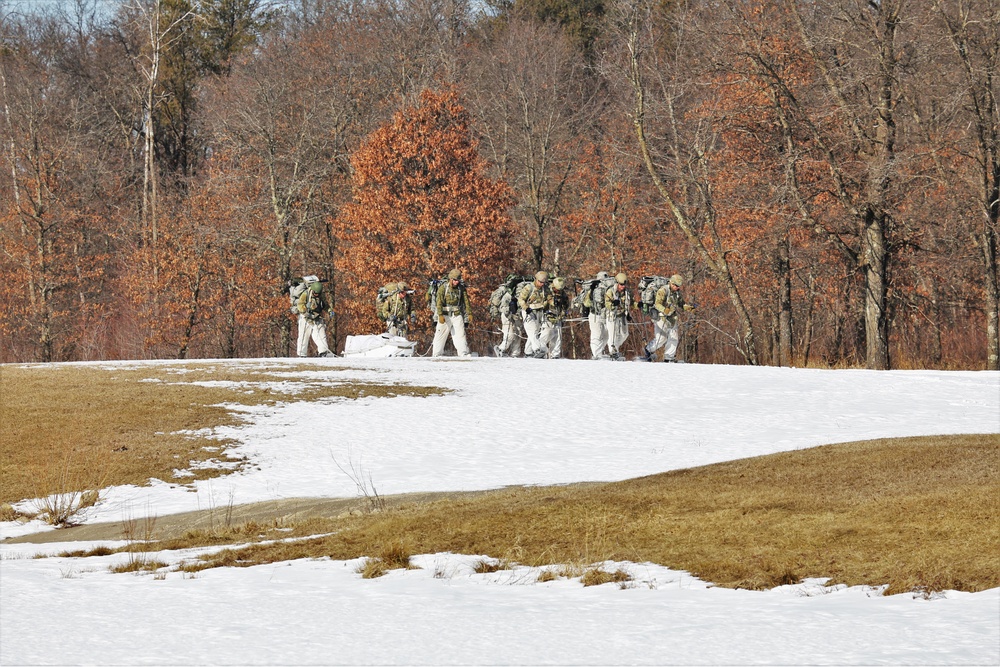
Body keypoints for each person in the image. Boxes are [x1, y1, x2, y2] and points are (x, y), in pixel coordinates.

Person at [644, 274, 695, 362]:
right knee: (662, 338)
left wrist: (688, 307)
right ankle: (649, 349)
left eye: (678, 286)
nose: (677, 288)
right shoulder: (663, 290)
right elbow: (657, 304)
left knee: (674, 337)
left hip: (672, 317)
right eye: (675, 285)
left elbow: (681, 303)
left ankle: (669, 357)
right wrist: (664, 310)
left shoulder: (677, 293)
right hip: (661, 317)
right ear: (671, 283)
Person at [433, 268, 472, 357]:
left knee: (460, 334)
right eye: (454, 280)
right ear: (450, 279)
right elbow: (439, 302)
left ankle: (463, 353)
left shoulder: (461, 289)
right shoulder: (443, 288)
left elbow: (466, 301)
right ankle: (437, 354)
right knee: (440, 335)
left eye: (458, 280)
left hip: (457, 314)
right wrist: (440, 315)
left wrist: (469, 313)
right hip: (445, 315)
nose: (456, 282)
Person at [296, 280, 336, 358]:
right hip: (306, 318)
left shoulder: (321, 296)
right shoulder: (306, 294)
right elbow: (300, 305)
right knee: (304, 336)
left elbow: (325, 305)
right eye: (315, 293)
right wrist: (306, 311)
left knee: (321, 334)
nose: (316, 295)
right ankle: (302, 354)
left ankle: (323, 351)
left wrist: (330, 311)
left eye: (318, 293)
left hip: (316, 317)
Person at [518, 270, 552, 359]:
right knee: (532, 331)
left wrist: (553, 302)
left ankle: (528, 352)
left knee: (535, 332)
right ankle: (537, 349)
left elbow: (549, 297)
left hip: (539, 311)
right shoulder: (529, 288)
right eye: (540, 282)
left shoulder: (545, 289)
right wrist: (526, 308)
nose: (541, 284)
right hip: (529, 311)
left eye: (543, 282)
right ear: (536, 279)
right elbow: (521, 299)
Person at [603, 272, 632, 361]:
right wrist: (613, 304)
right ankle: (613, 352)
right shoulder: (610, 291)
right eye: (621, 284)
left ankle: (615, 347)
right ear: (617, 283)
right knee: (612, 335)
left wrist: (637, 305)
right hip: (612, 315)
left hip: (622, 315)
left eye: (624, 284)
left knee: (625, 334)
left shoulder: (626, 292)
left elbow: (630, 302)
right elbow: (607, 304)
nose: (623, 286)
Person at [494, 277, 522, 358]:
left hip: (516, 316)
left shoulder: (522, 294)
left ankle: (515, 353)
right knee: (509, 334)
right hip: (507, 316)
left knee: (518, 333)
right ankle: (500, 349)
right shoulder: (507, 295)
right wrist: (509, 310)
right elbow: (502, 308)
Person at [542, 277, 569, 359]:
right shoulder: (547, 291)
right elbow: (543, 303)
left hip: (558, 317)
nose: (558, 291)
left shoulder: (563, 293)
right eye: (557, 289)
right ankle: (541, 352)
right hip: (547, 316)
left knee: (558, 337)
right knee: (546, 336)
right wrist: (551, 302)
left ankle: (555, 354)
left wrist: (563, 314)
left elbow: (566, 305)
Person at [587, 271, 611, 359]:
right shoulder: (591, 288)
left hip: (605, 315)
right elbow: (587, 302)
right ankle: (596, 354)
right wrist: (591, 290)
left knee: (606, 335)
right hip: (594, 314)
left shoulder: (609, 287)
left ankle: (599, 352)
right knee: (596, 334)